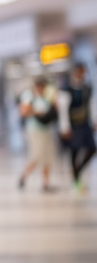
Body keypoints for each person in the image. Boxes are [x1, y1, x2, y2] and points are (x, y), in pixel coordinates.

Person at [17, 76, 59, 192]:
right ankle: (24, 176)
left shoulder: (46, 98)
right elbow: (23, 112)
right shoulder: (29, 96)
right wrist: (37, 112)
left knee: (47, 157)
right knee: (37, 156)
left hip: (47, 130)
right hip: (35, 131)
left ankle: (46, 183)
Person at [59, 63, 95, 193]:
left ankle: (77, 171)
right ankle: (76, 181)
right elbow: (63, 110)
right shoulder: (66, 89)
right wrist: (65, 127)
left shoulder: (87, 88)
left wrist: (94, 121)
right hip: (73, 125)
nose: (82, 74)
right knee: (74, 153)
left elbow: (91, 105)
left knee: (92, 149)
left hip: (84, 123)